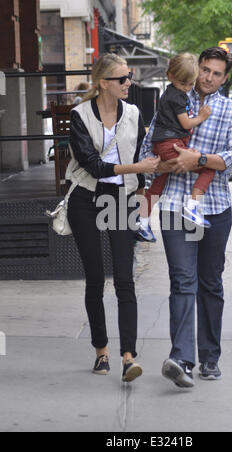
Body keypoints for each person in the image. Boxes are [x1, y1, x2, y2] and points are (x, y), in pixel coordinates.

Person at [140, 47, 232, 388]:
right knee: (182, 281)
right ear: (197, 68)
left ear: (225, 77)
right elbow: (148, 150)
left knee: (210, 284)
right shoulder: (173, 101)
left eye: (217, 73)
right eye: (205, 70)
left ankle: (210, 358)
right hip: (175, 205)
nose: (209, 77)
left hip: (215, 206)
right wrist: (167, 164)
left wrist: (199, 159)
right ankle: (182, 360)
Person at [66, 53, 160, 382]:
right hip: (86, 198)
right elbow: (92, 164)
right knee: (95, 278)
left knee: (124, 279)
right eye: (122, 79)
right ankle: (101, 351)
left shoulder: (133, 113)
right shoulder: (79, 116)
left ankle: (128, 357)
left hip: (121, 198)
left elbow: (139, 157)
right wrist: (137, 169)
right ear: (103, 83)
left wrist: (143, 199)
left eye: (129, 76)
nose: (128, 83)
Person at [137, 53, 213, 243]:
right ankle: (192, 206)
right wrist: (202, 116)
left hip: (163, 144)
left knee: (157, 184)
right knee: (209, 166)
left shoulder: (171, 93)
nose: (187, 88)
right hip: (171, 144)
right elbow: (186, 124)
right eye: (183, 84)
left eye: (190, 84)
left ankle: (142, 222)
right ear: (170, 75)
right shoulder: (177, 97)